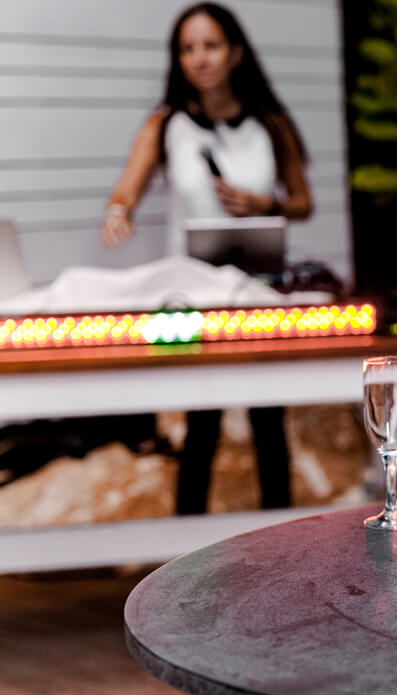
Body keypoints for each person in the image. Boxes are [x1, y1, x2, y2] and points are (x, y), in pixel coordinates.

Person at [102, 2, 313, 513]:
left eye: (211, 46)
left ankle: (280, 537)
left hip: (258, 291)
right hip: (195, 295)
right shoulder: (166, 124)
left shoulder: (269, 122)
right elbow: (126, 190)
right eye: (188, 49)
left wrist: (265, 205)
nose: (200, 58)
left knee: (268, 421)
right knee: (202, 422)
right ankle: (188, 539)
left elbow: (302, 201)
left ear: (236, 52)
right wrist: (118, 212)